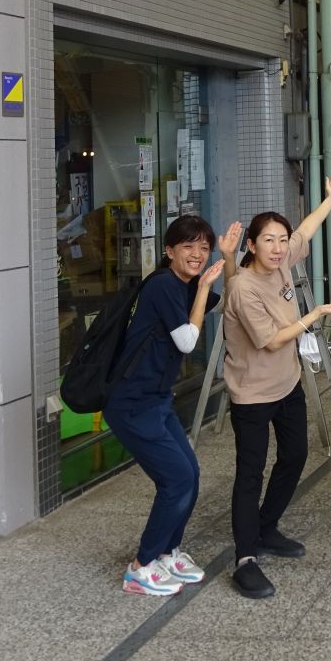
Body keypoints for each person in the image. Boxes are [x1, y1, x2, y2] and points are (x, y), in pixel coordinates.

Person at [222, 181, 331, 599]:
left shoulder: (281, 263)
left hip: (287, 383)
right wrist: (315, 313)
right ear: (252, 245)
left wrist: (330, 201)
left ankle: (266, 526)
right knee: (250, 473)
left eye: (281, 240)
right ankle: (245, 558)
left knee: (295, 455)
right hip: (252, 393)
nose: (278, 248)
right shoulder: (243, 287)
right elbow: (273, 340)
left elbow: (306, 232)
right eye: (268, 241)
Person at [105, 214, 239, 596]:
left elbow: (230, 300)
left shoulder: (187, 282)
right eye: (187, 246)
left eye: (203, 246)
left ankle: (167, 552)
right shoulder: (165, 284)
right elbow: (186, 341)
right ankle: (140, 567)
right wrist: (201, 290)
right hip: (131, 403)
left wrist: (228, 258)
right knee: (176, 479)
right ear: (169, 251)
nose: (197, 254)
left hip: (156, 399)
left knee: (189, 475)